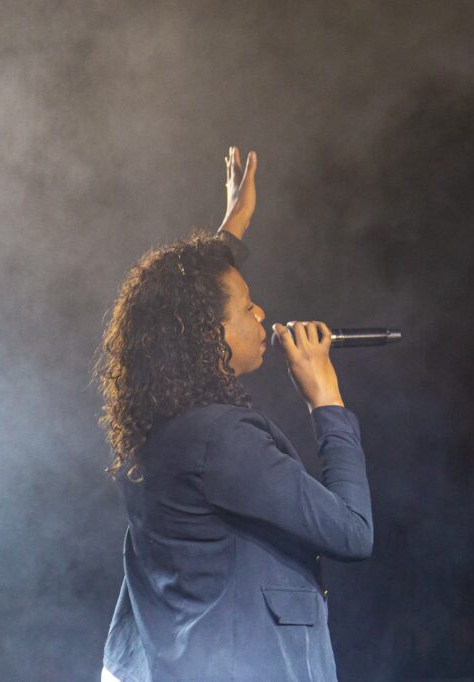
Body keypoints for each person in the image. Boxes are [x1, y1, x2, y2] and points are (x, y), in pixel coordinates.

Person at [96, 146, 373, 681]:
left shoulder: (165, 429)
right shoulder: (221, 439)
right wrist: (327, 401)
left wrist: (231, 230)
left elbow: (181, 300)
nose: (263, 313)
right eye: (248, 307)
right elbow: (353, 532)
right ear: (207, 335)